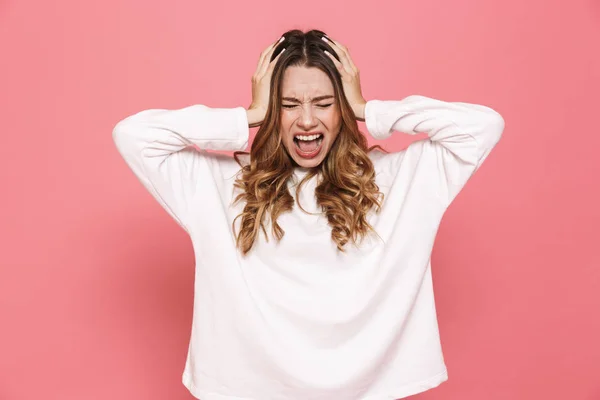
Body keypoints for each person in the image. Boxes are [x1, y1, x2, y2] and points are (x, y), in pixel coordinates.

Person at [112, 29, 505, 400]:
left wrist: (369, 109)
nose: (305, 120)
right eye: (288, 104)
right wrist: (248, 114)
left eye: (323, 103)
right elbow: (133, 135)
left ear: (343, 107)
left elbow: (483, 127)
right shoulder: (223, 184)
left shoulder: (396, 179)